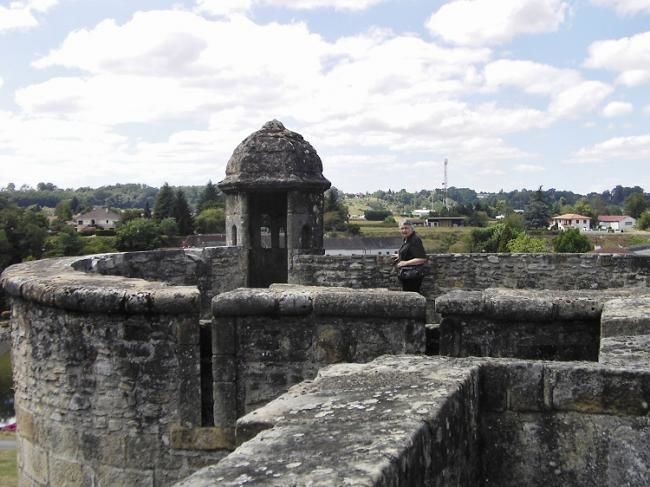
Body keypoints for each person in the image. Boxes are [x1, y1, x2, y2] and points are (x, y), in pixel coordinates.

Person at [393, 221, 428, 292]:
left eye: (406, 228)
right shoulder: (407, 239)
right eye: (402, 228)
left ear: (412, 229)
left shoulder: (415, 240)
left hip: (413, 275)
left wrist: (405, 263)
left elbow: (422, 258)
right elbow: (410, 252)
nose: (404, 230)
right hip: (408, 275)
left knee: (412, 296)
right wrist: (400, 255)